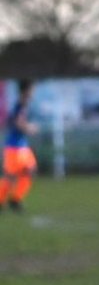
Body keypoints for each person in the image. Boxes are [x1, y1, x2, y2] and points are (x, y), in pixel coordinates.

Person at [1, 78, 39, 213]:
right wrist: (30, 128)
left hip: (21, 146)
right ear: (26, 91)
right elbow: (17, 123)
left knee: (30, 171)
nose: (33, 92)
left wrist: (27, 127)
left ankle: (15, 199)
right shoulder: (20, 105)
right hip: (14, 147)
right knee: (10, 177)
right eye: (32, 90)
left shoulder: (23, 105)